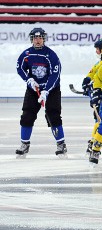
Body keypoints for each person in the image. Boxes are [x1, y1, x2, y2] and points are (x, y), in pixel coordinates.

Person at [16, 28, 66, 159]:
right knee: (27, 115)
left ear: (44, 39)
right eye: (35, 38)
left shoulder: (51, 55)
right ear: (31, 39)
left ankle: (61, 144)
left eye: (40, 38)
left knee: (53, 115)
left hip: (51, 90)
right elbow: (20, 68)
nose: (37, 40)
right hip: (34, 89)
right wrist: (29, 80)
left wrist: (46, 91)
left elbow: (55, 75)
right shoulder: (26, 54)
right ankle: (24, 144)